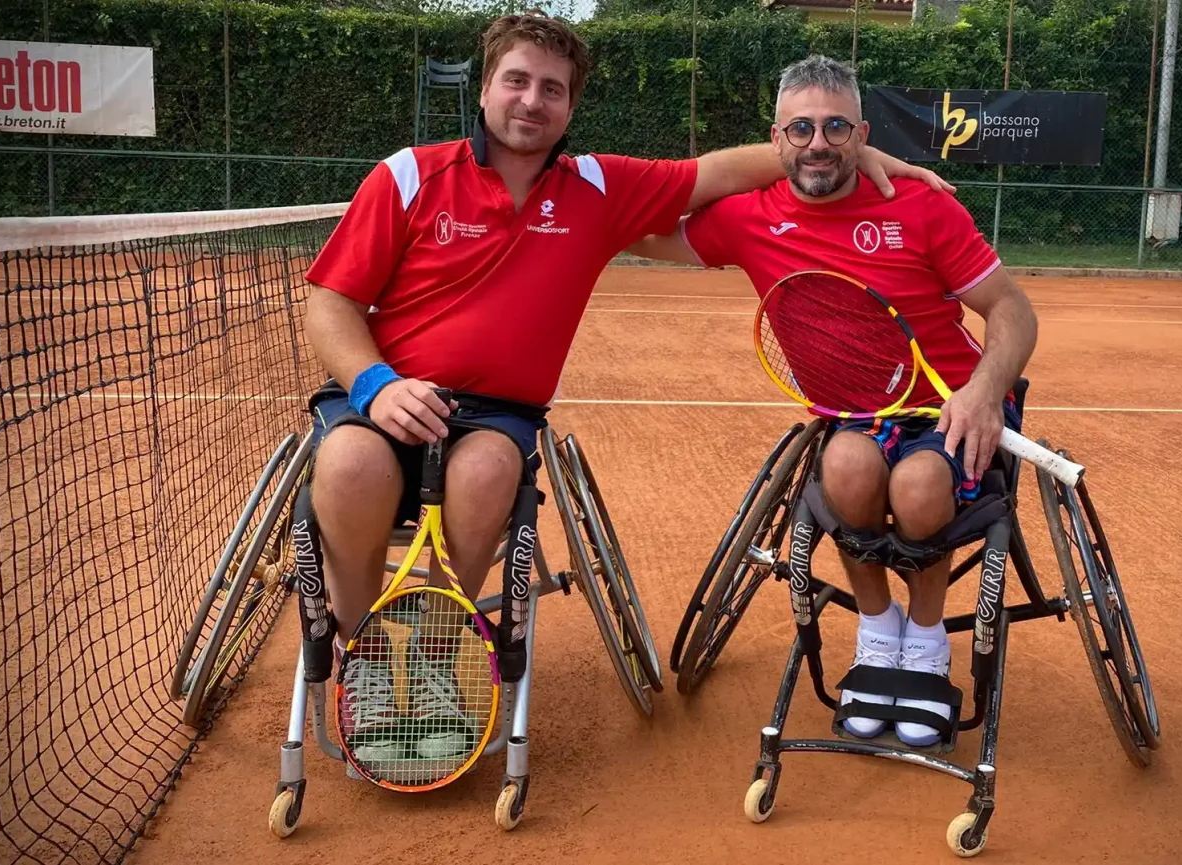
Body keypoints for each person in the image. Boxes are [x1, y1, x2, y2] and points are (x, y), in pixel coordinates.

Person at [300, 17, 953, 770]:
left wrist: (849, 150)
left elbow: (715, 172)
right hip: (381, 392)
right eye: (517, 81)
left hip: (496, 417)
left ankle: (442, 653)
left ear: (570, 106)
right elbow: (330, 301)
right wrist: (375, 384)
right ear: (485, 89)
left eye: (552, 89)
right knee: (349, 465)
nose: (532, 100)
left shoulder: (596, 188)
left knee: (487, 473)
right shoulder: (408, 176)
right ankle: (365, 653)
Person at [625, 54, 1038, 748]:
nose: (819, 143)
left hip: (951, 405)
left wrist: (985, 390)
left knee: (919, 485)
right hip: (853, 417)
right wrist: (795, 155)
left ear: (863, 134)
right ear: (776, 138)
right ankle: (878, 630)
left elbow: (1012, 310)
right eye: (802, 129)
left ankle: (926, 640)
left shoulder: (920, 205)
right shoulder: (746, 217)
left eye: (838, 128)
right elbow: (636, 224)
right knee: (845, 469)